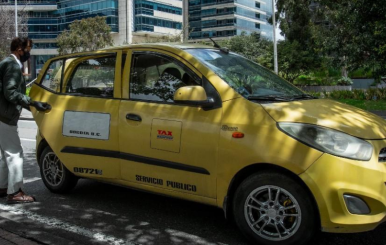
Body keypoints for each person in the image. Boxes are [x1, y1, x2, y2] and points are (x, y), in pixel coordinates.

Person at [0, 37, 51, 204]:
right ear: (19, 49)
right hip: (4, 117)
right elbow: (10, 93)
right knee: (15, 154)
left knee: (4, 155)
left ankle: (3, 187)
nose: (29, 54)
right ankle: (15, 192)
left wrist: (33, 107)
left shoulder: (6, 63)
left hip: (1, 115)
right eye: (28, 50)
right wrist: (32, 102)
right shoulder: (13, 66)